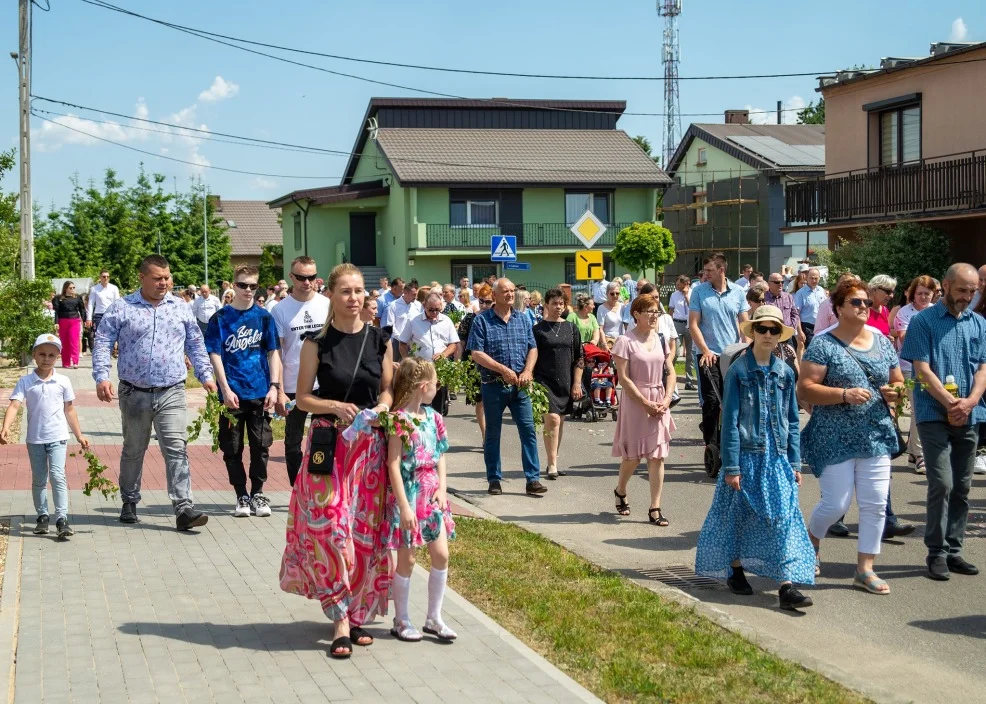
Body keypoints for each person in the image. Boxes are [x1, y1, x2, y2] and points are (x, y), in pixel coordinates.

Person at [279, 263, 395, 659]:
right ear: (331, 295)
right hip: (329, 445)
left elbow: (387, 390)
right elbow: (302, 399)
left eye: (359, 290)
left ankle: (356, 612)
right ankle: (339, 617)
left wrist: (379, 409)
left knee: (364, 532)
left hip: (369, 449)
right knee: (330, 529)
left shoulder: (380, 339)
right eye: (345, 291)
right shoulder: (317, 342)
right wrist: (335, 405)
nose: (354, 298)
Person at [696, 306, 815, 610]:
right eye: (761, 328)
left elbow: (791, 420)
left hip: (776, 459)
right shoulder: (738, 370)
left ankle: (787, 586)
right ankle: (735, 568)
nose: (767, 334)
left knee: (784, 518)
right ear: (752, 332)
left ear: (780, 336)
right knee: (738, 516)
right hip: (746, 458)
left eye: (774, 330)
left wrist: (794, 462)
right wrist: (732, 467)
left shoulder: (786, 372)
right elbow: (731, 420)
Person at [93, 254, 217, 530]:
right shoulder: (122, 307)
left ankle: (184, 507)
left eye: (168, 278)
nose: (164, 283)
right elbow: (102, 342)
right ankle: (129, 500)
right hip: (133, 391)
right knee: (134, 449)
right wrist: (102, 377)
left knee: (176, 448)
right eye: (158, 278)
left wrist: (206, 375)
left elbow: (195, 344)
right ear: (142, 278)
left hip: (171, 389)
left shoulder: (181, 307)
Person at [798, 276, 904, 595]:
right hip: (834, 437)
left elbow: (898, 380)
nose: (863, 307)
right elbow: (806, 389)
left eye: (866, 303)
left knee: (874, 506)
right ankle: (812, 541)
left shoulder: (881, 340)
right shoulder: (823, 343)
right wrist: (843, 394)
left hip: (875, 435)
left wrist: (895, 392)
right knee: (835, 504)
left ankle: (865, 569)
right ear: (839, 307)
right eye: (856, 302)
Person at [900, 263, 986, 581]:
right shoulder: (924, 321)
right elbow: (921, 369)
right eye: (962, 290)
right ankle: (936, 551)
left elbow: (983, 368)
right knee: (942, 483)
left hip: (970, 413)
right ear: (946, 286)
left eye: (973, 291)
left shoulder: (978, 323)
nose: (967, 297)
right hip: (934, 413)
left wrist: (971, 401)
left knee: (963, 486)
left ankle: (954, 549)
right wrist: (950, 403)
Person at [383, 358, 457, 642]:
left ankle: (434, 618)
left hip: (431, 495)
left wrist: (443, 488)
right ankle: (401, 619)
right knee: (408, 559)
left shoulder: (434, 417)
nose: (437, 388)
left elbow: (440, 454)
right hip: (410, 495)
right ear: (424, 386)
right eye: (436, 383)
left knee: (441, 554)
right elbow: (393, 464)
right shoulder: (399, 420)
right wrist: (403, 505)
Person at [205, 265, 282, 518]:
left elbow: (273, 353)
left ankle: (258, 492)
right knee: (232, 447)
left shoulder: (264, 318)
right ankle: (241, 495)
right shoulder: (220, 318)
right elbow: (215, 354)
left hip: (260, 391)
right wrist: (224, 388)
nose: (248, 290)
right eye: (243, 285)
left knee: (261, 446)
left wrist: (274, 386)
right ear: (233, 286)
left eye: (253, 286)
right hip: (232, 394)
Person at [0, 334, 90, 539]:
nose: (46, 359)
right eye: (42, 354)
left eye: (51, 355)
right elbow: (15, 404)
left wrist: (79, 435)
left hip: (58, 437)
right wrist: (5, 427)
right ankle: (42, 516)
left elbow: (70, 410)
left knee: (58, 476)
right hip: (35, 439)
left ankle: (61, 518)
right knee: (39, 479)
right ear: (34, 355)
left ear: (57, 357)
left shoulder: (63, 381)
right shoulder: (26, 381)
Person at [467, 278, 545, 497]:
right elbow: (476, 353)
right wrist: (502, 369)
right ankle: (494, 479)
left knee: (528, 431)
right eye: (505, 291)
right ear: (494, 295)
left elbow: (533, 348)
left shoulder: (522, 319)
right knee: (493, 433)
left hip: (520, 386)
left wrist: (528, 371)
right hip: (494, 386)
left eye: (512, 290)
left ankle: (532, 479)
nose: (510, 294)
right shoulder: (482, 321)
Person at [611, 295, 676, 526]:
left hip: (659, 400)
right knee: (633, 457)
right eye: (649, 311)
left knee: (657, 456)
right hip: (635, 401)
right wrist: (645, 404)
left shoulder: (660, 339)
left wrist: (666, 399)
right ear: (636, 314)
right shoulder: (624, 341)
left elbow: (670, 371)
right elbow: (624, 379)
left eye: (656, 311)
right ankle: (620, 490)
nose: (654, 315)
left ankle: (655, 507)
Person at [272, 256, 331, 487]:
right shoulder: (280, 310)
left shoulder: (326, 305)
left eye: (312, 277)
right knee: (293, 442)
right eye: (301, 278)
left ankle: (321, 487)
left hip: (323, 384)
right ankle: (297, 489)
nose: (307, 282)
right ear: (291, 277)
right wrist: (277, 390)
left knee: (324, 437)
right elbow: (275, 352)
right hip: (292, 385)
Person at [689, 253, 750, 461]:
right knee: (713, 400)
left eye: (709, 271)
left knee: (735, 400)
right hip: (709, 354)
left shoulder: (739, 292)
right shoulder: (699, 292)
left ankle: (733, 442)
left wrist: (746, 348)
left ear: (721, 270)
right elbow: (693, 324)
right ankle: (712, 445)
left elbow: (744, 324)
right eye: (704, 271)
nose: (704, 274)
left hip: (732, 354)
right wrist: (704, 350)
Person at [533, 288, 584, 480]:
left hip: (566, 381)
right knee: (552, 420)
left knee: (560, 421)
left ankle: (552, 459)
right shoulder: (538, 329)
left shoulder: (571, 328)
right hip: (544, 381)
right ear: (546, 305)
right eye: (554, 303)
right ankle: (552, 463)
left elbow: (579, 358)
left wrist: (577, 383)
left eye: (561, 303)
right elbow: (532, 355)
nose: (558, 306)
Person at [893, 276, 936, 475]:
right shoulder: (904, 312)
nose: (923, 297)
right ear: (912, 294)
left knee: (927, 409)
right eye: (919, 293)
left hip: (933, 366)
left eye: (927, 293)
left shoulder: (937, 311)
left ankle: (912, 452)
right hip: (908, 367)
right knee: (920, 408)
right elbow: (904, 338)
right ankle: (920, 455)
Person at [398, 292, 460, 414]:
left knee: (438, 402)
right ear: (424, 305)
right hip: (421, 369)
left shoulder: (446, 321)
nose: (435, 313)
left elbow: (454, 344)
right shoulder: (413, 321)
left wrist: (444, 354)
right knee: (420, 402)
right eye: (431, 310)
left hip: (440, 368)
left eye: (438, 309)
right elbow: (402, 343)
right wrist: (408, 362)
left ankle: (437, 426)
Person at [458, 285, 491, 442]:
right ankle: (485, 435)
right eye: (481, 301)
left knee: (491, 401)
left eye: (488, 302)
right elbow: (461, 342)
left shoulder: (495, 318)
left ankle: (491, 434)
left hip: (493, 363)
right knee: (480, 401)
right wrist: (459, 364)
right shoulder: (470, 318)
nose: (484, 305)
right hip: (473, 364)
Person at [384, 279, 421, 360]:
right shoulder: (394, 306)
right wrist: (401, 339)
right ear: (405, 293)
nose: (416, 297)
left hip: (415, 342)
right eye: (413, 294)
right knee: (398, 367)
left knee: (415, 367)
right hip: (398, 342)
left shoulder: (418, 305)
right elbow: (390, 325)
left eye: (416, 294)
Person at [669, 275, 695, 390]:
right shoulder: (674, 295)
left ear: (686, 283)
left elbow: (693, 308)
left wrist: (686, 297)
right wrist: (669, 324)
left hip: (690, 324)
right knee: (676, 351)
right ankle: (671, 379)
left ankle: (689, 381)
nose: (677, 286)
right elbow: (671, 310)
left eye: (679, 284)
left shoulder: (694, 293)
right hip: (677, 323)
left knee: (690, 354)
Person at [53, 281, 87, 369]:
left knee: (74, 340)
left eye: (73, 288)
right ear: (66, 289)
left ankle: (75, 362)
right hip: (63, 321)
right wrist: (56, 322)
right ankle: (66, 362)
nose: (72, 290)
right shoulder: (59, 298)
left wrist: (84, 320)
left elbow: (82, 310)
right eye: (70, 288)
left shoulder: (77, 297)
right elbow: (56, 312)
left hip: (75, 321)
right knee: (64, 342)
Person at [764, 272, 802, 349]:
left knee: (790, 359)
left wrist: (791, 328)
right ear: (769, 284)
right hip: (771, 336)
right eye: (777, 282)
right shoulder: (763, 298)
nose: (780, 284)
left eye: (782, 282)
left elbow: (795, 314)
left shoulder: (788, 297)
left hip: (787, 337)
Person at [793, 267, 827, 350]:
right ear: (807, 278)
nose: (814, 280)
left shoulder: (821, 290)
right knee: (811, 351)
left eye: (816, 278)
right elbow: (796, 314)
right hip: (807, 327)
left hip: (821, 326)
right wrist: (799, 331)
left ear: (819, 278)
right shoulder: (800, 293)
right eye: (811, 278)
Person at [86, 269, 121, 338]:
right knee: (100, 335)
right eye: (104, 276)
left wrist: (119, 315)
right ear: (100, 278)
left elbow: (118, 303)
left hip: (111, 314)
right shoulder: (94, 289)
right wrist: (89, 318)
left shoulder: (114, 288)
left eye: (108, 276)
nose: (106, 278)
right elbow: (90, 304)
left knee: (111, 335)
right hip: (99, 315)